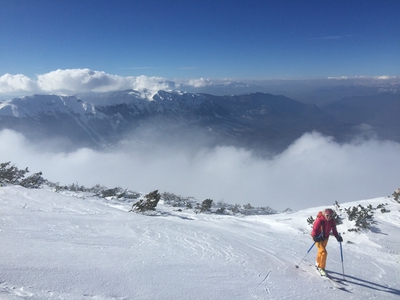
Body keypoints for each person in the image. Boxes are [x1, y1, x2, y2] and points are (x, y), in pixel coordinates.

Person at [311, 208, 343, 276]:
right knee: (323, 252)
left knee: (320, 251)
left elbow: (334, 231)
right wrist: (314, 236)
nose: (329, 217)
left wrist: (337, 237)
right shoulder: (320, 220)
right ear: (324, 214)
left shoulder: (332, 222)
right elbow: (314, 230)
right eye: (327, 215)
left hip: (325, 238)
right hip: (318, 238)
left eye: (331, 216)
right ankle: (321, 268)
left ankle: (317, 263)